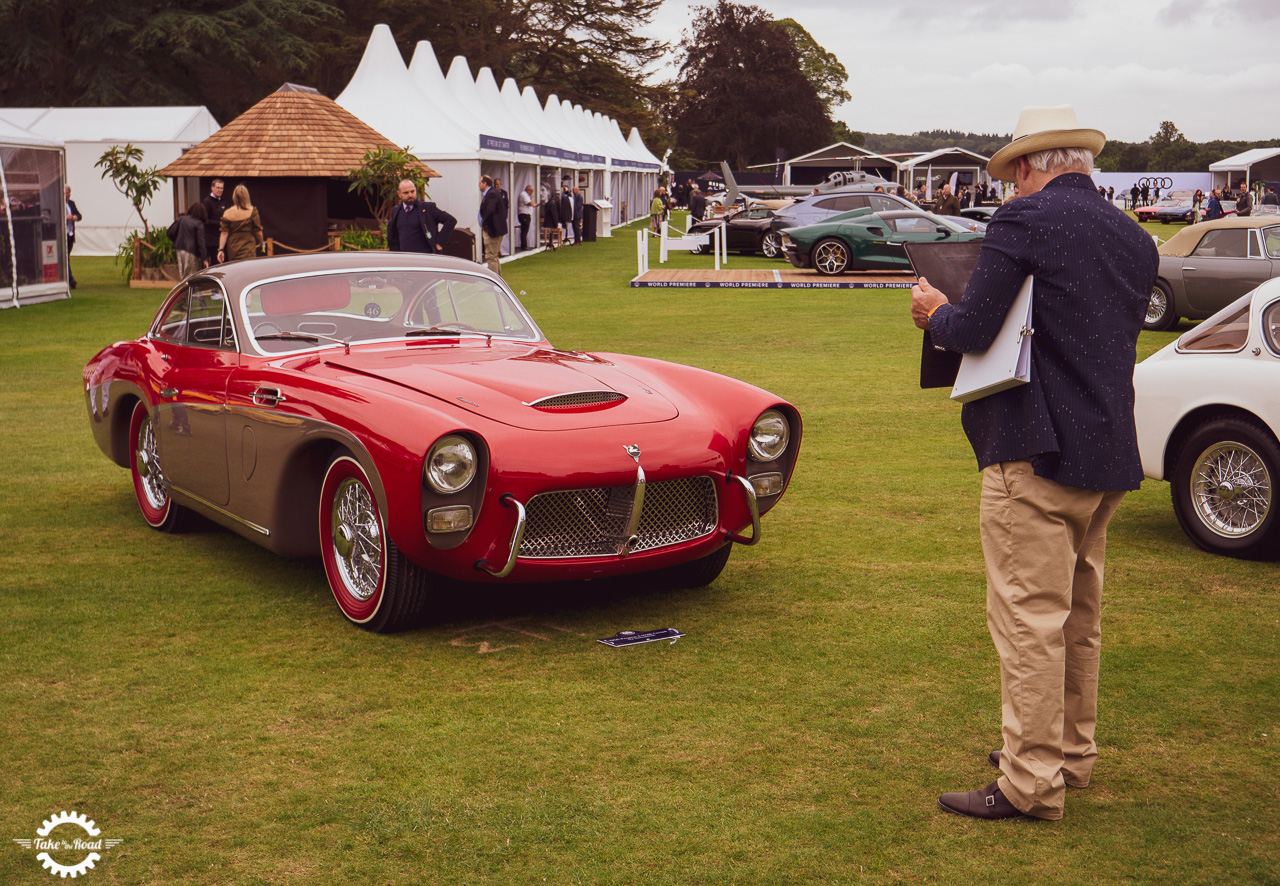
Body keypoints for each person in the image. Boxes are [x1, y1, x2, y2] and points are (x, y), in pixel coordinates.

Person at [910, 105, 1158, 822]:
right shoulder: (1133, 236)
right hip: (1109, 448)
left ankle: (1028, 781)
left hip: (1037, 448)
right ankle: (1067, 755)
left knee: (1028, 619)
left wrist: (933, 310)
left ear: (1028, 167)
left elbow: (975, 325)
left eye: (1013, 177)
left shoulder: (1025, 222)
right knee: (1078, 617)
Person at [386, 179, 456, 255]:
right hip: (405, 259)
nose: (410, 195)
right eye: (406, 193)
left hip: (425, 258)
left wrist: (440, 243)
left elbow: (450, 220)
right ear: (399, 194)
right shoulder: (396, 211)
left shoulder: (428, 208)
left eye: (412, 191)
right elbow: (392, 234)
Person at [217, 185, 263, 263]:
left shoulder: (227, 213)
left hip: (233, 247)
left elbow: (224, 233)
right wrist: (262, 243)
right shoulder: (252, 211)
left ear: (234, 197)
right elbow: (258, 231)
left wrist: (221, 250)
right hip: (248, 246)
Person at [478, 175, 507, 275]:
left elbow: (490, 211)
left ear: (485, 183)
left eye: (480, 183)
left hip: (493, 230)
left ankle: (493, 283)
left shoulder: (491, 194)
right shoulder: (491, 193)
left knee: (491, 257)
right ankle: (498, 281)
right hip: (494, 229)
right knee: (494, 256)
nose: (479, 185)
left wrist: (485, 225)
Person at [171, 202, 208, 278]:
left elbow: (170, 232)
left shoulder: (181, 219)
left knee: (182, 275)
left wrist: (176, 240)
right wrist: (204, 259)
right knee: (191, 275)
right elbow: (200, 243)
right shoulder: (199, 223)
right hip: (191, 251)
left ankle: (183, 289)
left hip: (179, 250)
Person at [201, 179, 227, 265]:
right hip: (211, 240)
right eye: (218, 188)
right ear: (212, 188)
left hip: (222, 238)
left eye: (221, 188)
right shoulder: (207, 202)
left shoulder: (223, 202)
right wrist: (218, 223)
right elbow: (204, 220)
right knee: (214, 263)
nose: (220, 190)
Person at [64, 186, 82, 289]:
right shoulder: (59, 203)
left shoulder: (71, 203)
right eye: (66, 193)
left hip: (70, 233)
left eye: (69, 193)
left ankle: (68, 278)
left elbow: (79, 215)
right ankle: (70, 279)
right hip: (63, 233)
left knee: (67, 256)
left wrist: (76, 217)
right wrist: (65, 217)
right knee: (66, 257)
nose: (68, 195)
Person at [518, 185, 535, 250]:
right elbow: (530, 203)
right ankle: (524, 246)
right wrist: (532, 197)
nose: (532, 192)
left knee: (525, 230)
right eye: (531, 191)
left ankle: (524, 245)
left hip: (526, 214)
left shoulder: (525, 195)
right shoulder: (523, 194)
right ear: (528, 190)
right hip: (524, 214)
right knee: (524, 230)